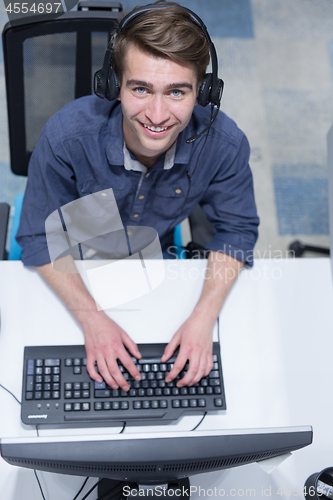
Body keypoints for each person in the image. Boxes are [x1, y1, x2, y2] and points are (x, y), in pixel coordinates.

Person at [16, 1, 259, 393]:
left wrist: (203, 319)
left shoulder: (224, 146)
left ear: (204, 92)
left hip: (153, 257)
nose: (158, 115)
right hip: (78, 254)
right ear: (113, 86)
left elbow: (238, 230)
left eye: (177, 91)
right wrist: (92, 319)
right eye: (141, 88)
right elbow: (37, 238)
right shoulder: (67, 137)